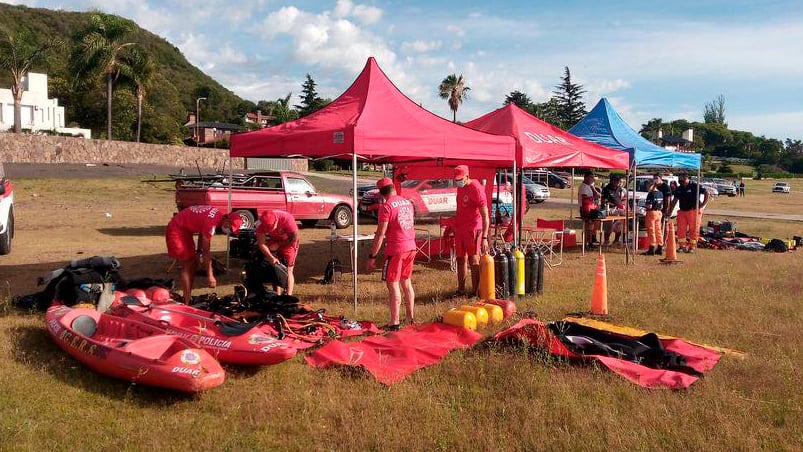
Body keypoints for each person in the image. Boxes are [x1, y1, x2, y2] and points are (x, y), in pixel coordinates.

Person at [366, 177, 416, 330]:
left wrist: (372, 256)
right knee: (406, 283)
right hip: (411, 246)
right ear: (393, 187)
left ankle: (394, 322)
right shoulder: (407, 202)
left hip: (396, 249)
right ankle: (410, 317)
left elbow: (381, 233)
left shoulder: (386, 207)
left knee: (392, 284)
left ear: (381, 193)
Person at [165, 205, 242, 304]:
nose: (229, 230)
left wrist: (198, 251)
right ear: (226, 218)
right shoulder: (212, 223)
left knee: (193, 263)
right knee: (186, 264)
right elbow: (207, 252)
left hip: (185, 230)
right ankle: (187, 300)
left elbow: (202, 232)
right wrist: (210, 275)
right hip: (176, 229)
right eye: (230, 227)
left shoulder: (217, 216)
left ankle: (187, 296)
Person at [452, 165, 490, 296]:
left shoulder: (477, 189)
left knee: (474, 260)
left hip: (473, 229)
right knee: (460, 258)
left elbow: (486, 216)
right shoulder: (460, 188)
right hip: (460, 228)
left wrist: (484, 237)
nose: (458, 182)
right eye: (456, 179)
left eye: (460, 179)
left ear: (467, 176)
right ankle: (461, 289)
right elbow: (459, 209)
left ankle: (475, 291)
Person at [255, 209, 300, 295]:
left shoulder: (287, 218)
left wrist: (279, 244)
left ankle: (288, 296)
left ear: (276, 221)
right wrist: (271, 257)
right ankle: (277, 294)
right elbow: (261, 244)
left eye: (270, 228)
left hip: (289, 242)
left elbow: (294, 238)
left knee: (288, 269)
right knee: (274, 268)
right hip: (274, 240)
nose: (268, 231)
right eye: (266, 230)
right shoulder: (260, 224)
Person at [668, 172, 709, 253]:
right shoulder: (679, 188)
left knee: (693, 230)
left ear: (686, 177)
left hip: (693, 211)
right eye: (679, 177)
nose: (679, 179)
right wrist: (669, 211)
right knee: (680, 230)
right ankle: (682, 247)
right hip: (682, 211)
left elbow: (706, 193)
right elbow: (674, 201)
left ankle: (692, 247)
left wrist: (702, 205)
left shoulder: (694, 186)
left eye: (681, 177)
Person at [601, 174, 627, 246]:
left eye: (619, 181)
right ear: (612, 181)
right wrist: (613, 204)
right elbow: (603, 201)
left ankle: (616, 240)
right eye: (617, 181)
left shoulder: (619, 188)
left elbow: (624, 197)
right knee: (608, 225)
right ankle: (606, 241)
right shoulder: (606, 189)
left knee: (619, 224)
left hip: (618, 209)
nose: (619, 183)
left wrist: (622, 203)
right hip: (609, 209)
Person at [578, 171, 602, 249]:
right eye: (591, 177)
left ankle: (590, 241)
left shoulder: (589, 186)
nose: (592, 179)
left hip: (591, 208)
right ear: (586, 177)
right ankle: (586, 243)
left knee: (591, 226)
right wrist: (593, 198)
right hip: (584, 209)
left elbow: (597, 195)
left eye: (593, 177)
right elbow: (584, 198)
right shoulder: (583, 186)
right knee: (587, 226)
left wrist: (593, 188)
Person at [651, 173, 673, 254]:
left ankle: (663, 243)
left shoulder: (666, 187)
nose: (655, 179)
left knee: (665, 225)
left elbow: (668, 199)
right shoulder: (654, 186)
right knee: (657, 228)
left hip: (664, 210)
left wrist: (666, 211)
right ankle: (657, 242)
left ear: (661, 178)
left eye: (656, 178)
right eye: (654, 178)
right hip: (655, 210)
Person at [641, 181, 664, 256]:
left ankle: (652, 248)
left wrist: (644, 206)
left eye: (647, 186)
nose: (647, 188)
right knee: (658, 230)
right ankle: (660, 247)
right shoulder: (660, 193)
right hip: (659, 212)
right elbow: (662, 205)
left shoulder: (651, 194)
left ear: (651, 186)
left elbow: (649, 206)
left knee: (651, 231)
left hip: (651, 213)